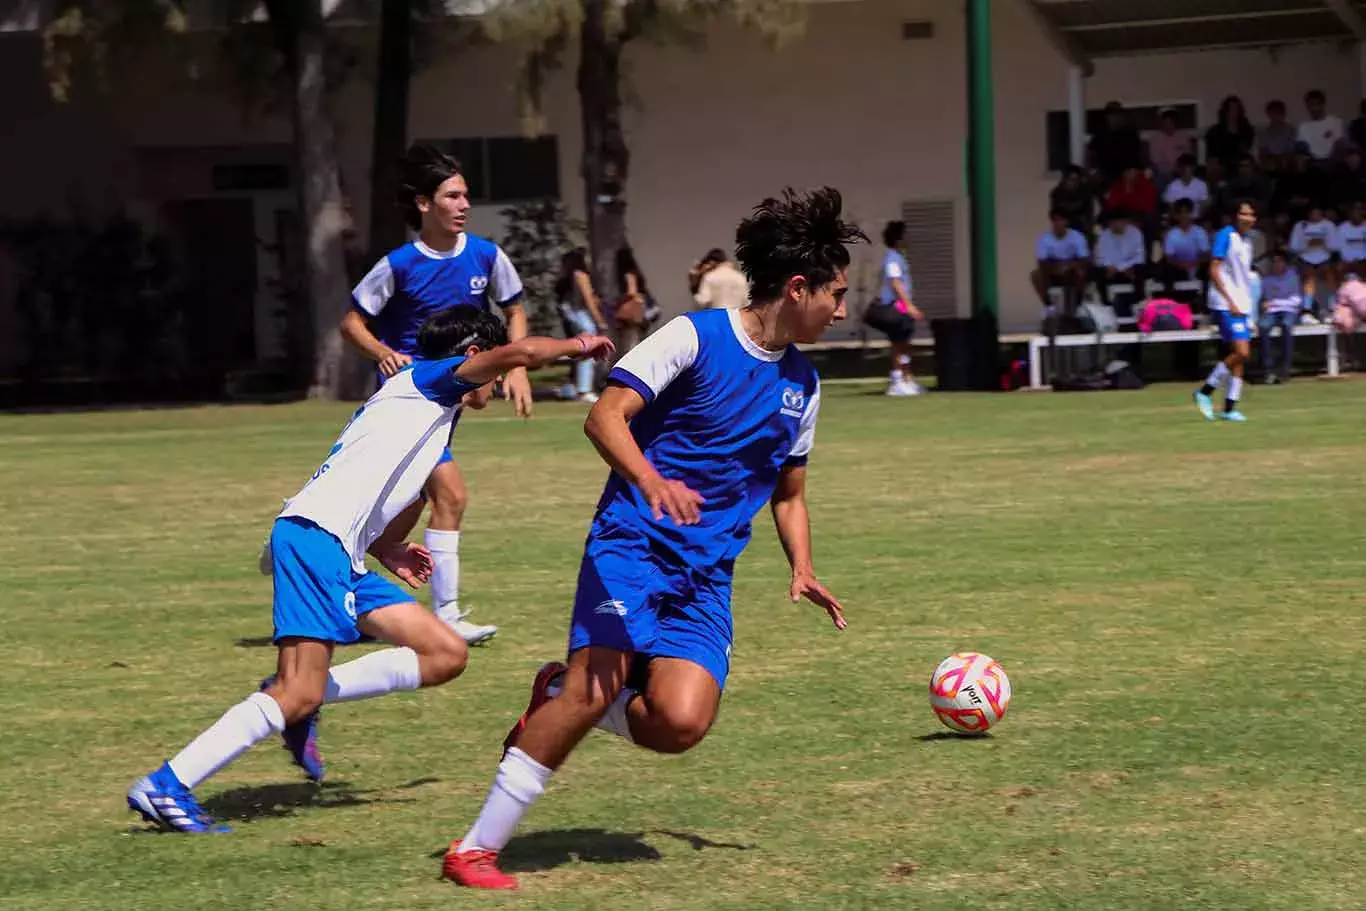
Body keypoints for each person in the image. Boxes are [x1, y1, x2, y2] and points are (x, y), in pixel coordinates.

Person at [440, 187, 859, 891]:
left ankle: (560, 687)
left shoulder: (804, 384)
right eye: (836, 294)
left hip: (706, 575)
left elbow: (790, 490)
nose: (842, 309)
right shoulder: (694, 336)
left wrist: (803, 565)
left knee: (680, 723)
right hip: (632, 545)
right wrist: (650, 481)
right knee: (591, 687)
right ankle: (475, 848)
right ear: (798, 287)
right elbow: (605, 417)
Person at [127, 309, 615, 832]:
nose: (499, 385)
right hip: (317, 541)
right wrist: (577, 345)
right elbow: (522, 353)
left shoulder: (430, 416)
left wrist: (389, 548)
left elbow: (397, 485)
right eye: (495, 374)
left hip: (343, 553)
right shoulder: (428, 381)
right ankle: (167, 784)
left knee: (444, 653)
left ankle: (295, 698)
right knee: (298, 689)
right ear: (474, 358)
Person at [338, 144, 530, 644]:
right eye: (453, 196)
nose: (464, 205)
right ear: (425, 204)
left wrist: (514, 367)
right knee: (448, 494)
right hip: (411, 403)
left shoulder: (487, 256)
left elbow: (514, 310)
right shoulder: (399, 265)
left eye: (466, 195)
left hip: (449, 403)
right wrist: (381, 351)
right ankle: (444, 614)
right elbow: (352, 321)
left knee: (405, 502)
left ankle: (342, 584)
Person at [1193, 200, 1259, 422]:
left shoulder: (1248, 241)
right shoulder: (1225, 235)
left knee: (1238, 358)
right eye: (1243, 214)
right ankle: (1204, 391)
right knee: (1241, 352)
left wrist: (1247, 306)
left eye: (1251, 215)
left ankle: (1230, 408)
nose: (1247, 218)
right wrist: (1229, 299)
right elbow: (1214, 269)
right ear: (1235, 216)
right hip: (1224, 303)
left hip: (1241, 304)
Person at [862, 219, 924, 396]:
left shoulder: (899, 257)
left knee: (903, 342)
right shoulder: (892, 258)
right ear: (898, 237)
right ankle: (897, 380)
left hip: (900, 308)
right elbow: (895, 283)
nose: (909, 238)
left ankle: (907, 378)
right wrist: (909, 306)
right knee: (898, 343)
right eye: (906, 234)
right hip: (892, 307)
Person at [555, 248, 610, 403]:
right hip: (582, 317)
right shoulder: (581, 276)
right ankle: (584, 390)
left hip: (573, 316)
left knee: (578, 351)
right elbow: (589, 301)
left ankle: (574, 387)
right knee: (588, 349)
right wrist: (600, 321)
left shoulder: (568, 279)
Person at [1258, 251, 1309, 384]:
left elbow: (1296, 300)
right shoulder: (1267, 280)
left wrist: (1275, 303)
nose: (1276, 264)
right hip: (1272, 311)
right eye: (1274, 262)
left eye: (1279, 261)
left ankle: (1285, 367)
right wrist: (1266, 304)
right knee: (1263, 326)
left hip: (1289, 310)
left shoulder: (1293, 277)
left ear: (1284, 263)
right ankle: (1268, 368)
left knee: (1287, 325)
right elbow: (1266, 300)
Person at [1031, 208, 1090, 322]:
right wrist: (1056, 269)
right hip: (1053, 270)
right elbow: (1042, 261)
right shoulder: (1044, 239)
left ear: (1066, 222)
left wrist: (1070, 266)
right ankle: (1049, 305)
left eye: (1061, 220)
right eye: (1055, 221)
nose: (1058, 224)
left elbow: (1084, 258)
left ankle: (1079, 305)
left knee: (1082, 272)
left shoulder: (1077, 237)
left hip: (1072, 269)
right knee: (1035, 275)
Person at [1288, 204, 1338, 300]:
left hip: (1325, 259)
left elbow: (1335, 247)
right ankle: (1307, 307)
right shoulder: (1300, 226)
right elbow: (1293, 247)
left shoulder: (1328, 225)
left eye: (1318, 213)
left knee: (1329, 276)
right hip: (1305, 259)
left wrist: (1324, 243)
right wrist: (1307, 245)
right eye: (1313, 213)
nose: (1315, 215)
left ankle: (1332, 304)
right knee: (1309, 278)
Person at [1161, 199, 1210, 291]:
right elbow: (1168, 257)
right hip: (1179, 269)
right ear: (1176, 216)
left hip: (1197, 267)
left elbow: (1206, 254)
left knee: (1209, 270)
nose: (1184, 216)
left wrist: (1194, 263)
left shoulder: (1200, 232)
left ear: (1191, 214)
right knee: (1167, 271)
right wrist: (1180, 264)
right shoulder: (1171, 234)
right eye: (1181, 213)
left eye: (1186, 212)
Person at [613, 246, 654, 357]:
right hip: (638, 310)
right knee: (635, 339)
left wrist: (619, 300)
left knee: (630, 342)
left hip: (632, 312)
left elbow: (631, 292)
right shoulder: (635, 272)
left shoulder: (628, 274)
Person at [1204, 95, 1255, 173]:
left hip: (1241, 166)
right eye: (1231, 110)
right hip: (1221, 165)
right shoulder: (1214, 131)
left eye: (1236, 110)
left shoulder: (1246, 130)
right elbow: (1211, 155)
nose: (1233, 113)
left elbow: (1247, 150)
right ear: (1225, 111)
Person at [1296, 90, 1345, 163]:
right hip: (1312, 160)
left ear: (1322, 105)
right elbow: (1302, 148)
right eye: (1309, 105)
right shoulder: (1303, 126)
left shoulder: (1335, 121)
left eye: (1314, 105)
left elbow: (1339, 143)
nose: (1311, 109)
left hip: (1332, 159)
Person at [1148, 108, 1191, 189]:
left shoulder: (1183, 137)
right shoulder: (1156, 139)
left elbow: (1187, 157)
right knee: (1158, 182)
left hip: (1180, 171)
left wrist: (1177, 170)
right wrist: (1168, 172)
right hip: (1162, 172)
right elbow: (1155, 160)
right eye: (1166, 123)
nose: (1168, 125)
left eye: (1171, 122)